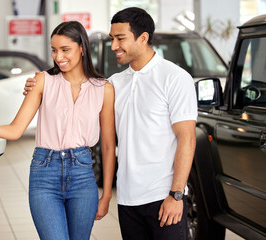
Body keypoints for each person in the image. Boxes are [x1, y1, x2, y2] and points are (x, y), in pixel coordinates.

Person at [24, 7, 197, 240]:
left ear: (143, 38)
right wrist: (36, 88)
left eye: (120, 39)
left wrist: (176, 195)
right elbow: (88, 117)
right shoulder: (114, 84)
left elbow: (187, 138)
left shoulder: (175, 78)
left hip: (163, 196)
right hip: (127, 200)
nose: (114, 45)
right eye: (112, 38)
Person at [0, 21, 116, 240]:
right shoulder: (42, 81)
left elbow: (109, 145)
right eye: (54, 50)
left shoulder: (104, 89)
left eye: (66, 50)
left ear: (82, 47)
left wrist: (106, 195)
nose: (59, 57)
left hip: (83, 175)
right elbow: (16, 130)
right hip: (45, 173)